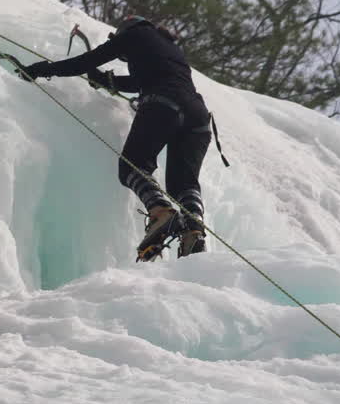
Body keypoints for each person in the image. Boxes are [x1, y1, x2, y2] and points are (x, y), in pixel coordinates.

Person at [20, 16, 212, 259]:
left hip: (163, 103)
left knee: (133, 166)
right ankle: (193, 231)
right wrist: (104, 80)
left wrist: (43, 69)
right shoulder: (170, 49)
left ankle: (160, 211)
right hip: (198, 116)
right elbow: (139, 81)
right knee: (183, 185)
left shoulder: (134, 35)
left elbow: (87, 61)